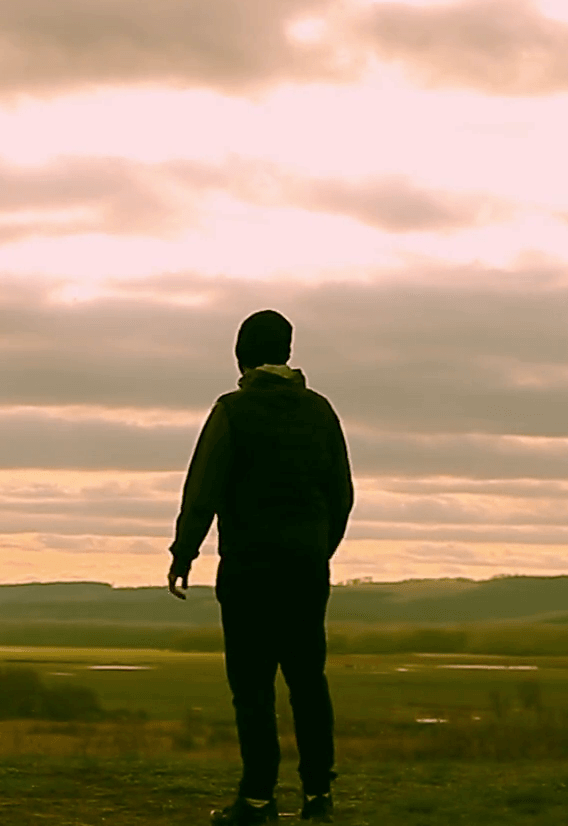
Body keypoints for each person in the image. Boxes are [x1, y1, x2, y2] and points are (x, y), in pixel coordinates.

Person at [167, 309, 354, 824]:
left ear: (242, 356)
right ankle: (318, 795)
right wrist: (319, 548)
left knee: (252, 688)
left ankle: (257, 798)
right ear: (288, 354)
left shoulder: (232, 411)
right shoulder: (321, 412)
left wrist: (184, 553)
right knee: (308, 681)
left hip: (248, 569)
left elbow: (203, 488)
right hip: (305, 569)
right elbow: (342, 493)